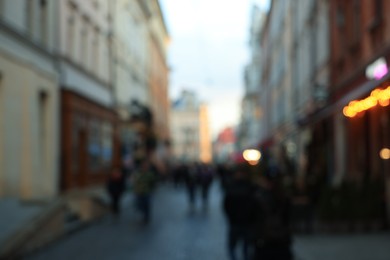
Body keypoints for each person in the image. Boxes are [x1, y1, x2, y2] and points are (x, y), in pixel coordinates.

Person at [223, 163, 260, 260]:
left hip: (242, 222)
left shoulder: (247, 186)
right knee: (241, 246)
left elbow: (226, 205)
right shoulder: (250, 186)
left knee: (241, 246)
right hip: (239, 222)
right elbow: (227, 205)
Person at [131, 158, 158, 224]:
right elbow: (134, 180)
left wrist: (152, 190)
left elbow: (153, 182)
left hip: (147, 191)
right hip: (139, 191)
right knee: (140, 205)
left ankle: (146, 217)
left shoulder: (150, 174)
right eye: (143, 165)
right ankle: (144, 214)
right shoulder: (138, 173)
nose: (145, 166)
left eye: (146, 165)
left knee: (147, 205)